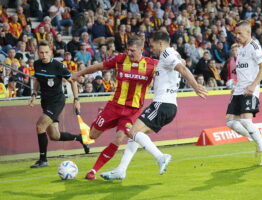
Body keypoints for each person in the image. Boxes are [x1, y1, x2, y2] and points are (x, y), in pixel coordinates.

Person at [100, 30, 207, 181]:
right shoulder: (174, 54)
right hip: (169, 106)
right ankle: (121, 170)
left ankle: (160, 157)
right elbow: (181, 64)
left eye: (153, 45)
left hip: (162, 104)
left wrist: (195, 86)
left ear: (161, 43)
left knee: (132, 132)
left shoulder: (165, 54)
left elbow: (182, 69)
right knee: (135, 136)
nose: (152, 49)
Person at [71, 35, 158, 180]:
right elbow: (98, 66)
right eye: (128, 50)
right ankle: (101, 116)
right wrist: (78, 73)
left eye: (132, 51)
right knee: (91, 136)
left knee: (119, 139)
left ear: (141, 50)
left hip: (132, 111)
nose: (129, 53)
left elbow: (173, 66)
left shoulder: (152, 64)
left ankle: (93, 171)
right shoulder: (120, 59)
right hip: (114, 107)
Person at [28, 40, 89, 168]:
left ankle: (43, 160)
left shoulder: (58, 65)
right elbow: (38, 79)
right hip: (45, 101)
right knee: (54, 136)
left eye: (46, 52)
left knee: (40, 126)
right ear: (37, 53)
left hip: (57, 101)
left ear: (50, 52)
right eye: (41, 53)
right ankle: (81, 138)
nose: (43, 55)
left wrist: (76, 100)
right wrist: (34, 93)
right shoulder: (37, 64)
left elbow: (72, 82)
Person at [225, 20, 262, 166]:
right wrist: (235, 84)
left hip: (251, 89)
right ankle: (259, 138)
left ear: (248, 32)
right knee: (231, 122)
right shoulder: (241, 49)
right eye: (235, 33)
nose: (237, 36)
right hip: (239, 90)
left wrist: (253, 85)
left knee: (245, 121)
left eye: (239, 33)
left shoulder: (254, 46)